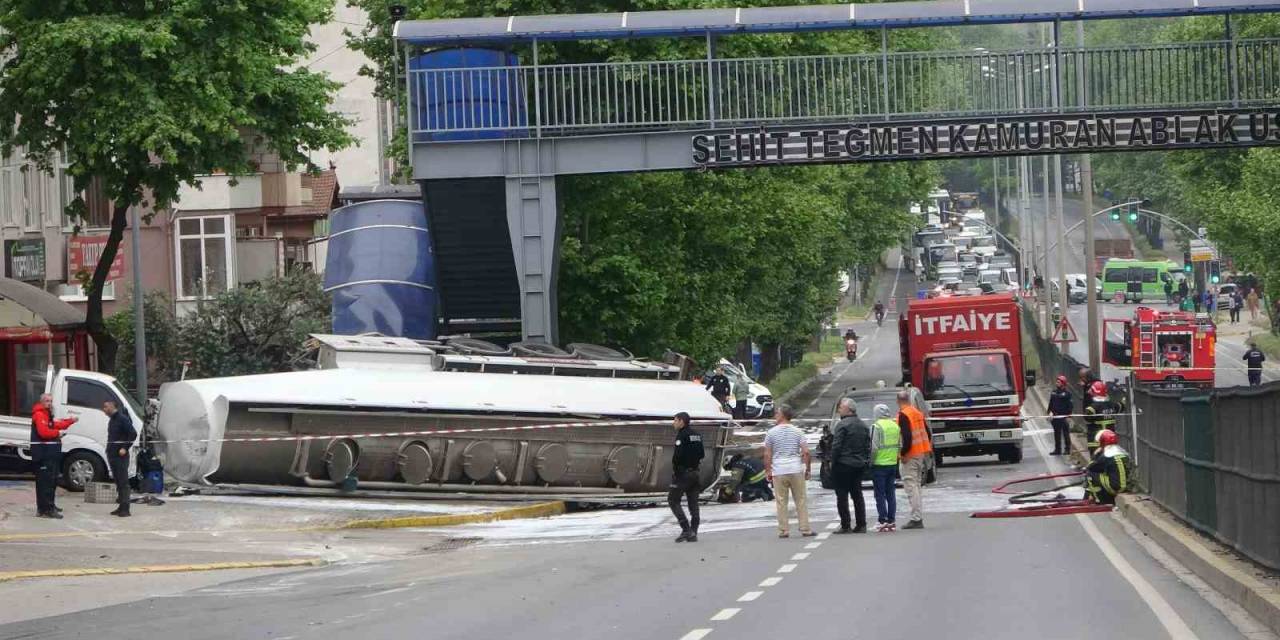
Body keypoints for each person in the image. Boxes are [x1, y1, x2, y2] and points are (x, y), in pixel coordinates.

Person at [764, 404, 815, 538]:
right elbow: (806, 452)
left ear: (782, 415)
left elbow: (768, 455)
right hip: (795, 469)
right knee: (801, 500)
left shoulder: (771, 433)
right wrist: (808, 469)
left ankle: (783, 530)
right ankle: (805, 528)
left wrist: (768, 470)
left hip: (779, 470)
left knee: (781, 501)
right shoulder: (798, 432)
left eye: (777, 413)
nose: (775, 415)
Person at [31, 393, 77, 518]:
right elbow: (44, 432)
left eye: (50, 401)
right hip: (44, 455)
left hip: (49, 454)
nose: (49, 403)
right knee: (46, 482)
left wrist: (70, 421)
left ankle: (47, 507)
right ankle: (47, 509)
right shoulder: (39, 414)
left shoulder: (46, 415)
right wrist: (58, 434)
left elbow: (55, 424)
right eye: (47, 401)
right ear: (41, 402)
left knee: (50, 481)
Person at [829, 398, 870, 534]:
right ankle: (861, 524)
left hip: (843, 464)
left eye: (840, 407)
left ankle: (845, 525)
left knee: (842, 495)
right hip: (858, 465)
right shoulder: (863, 425)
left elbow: (836, 446)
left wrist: (832, 462)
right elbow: (867, 446)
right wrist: (864, 461)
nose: (839, 409)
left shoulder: (842, 425)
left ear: (848, 409)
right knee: (857, 494)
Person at [896, 391, 932, 530]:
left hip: (910, 455)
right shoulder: (917, 412)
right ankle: (917, 516)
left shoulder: (904, 414)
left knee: (911, 487)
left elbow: (907, 437)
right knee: (916, 485)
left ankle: (916, 518)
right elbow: (927, 433)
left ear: (898, 401)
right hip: (920, 453)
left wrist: (903, 454)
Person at [668, 412, 704, 542]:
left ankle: (686, 529)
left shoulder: (682, 435)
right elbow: (702, 454)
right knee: (693, 502)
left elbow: (677, 457)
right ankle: (694, 531)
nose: (674, 423)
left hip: (683, 474)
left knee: (673, 500)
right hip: (695, 473)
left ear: (681, 421)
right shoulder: (697, 435)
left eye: (675, 420)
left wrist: (677, 470)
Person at [102, 400, 137, 517]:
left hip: (120, 455)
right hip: (112, 454)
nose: (104, 409)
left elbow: (133, 433)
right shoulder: (112, 420)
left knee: (123, 482)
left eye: (106, 407)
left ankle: (125, 508)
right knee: (117, 481)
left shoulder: (122, 419)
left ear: (112, 406)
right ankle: (121, 506)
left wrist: (125, 447)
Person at [869, 404, 901, 532]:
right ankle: (891, 520)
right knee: (890, 493)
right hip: (892, 463)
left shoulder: (876, 426)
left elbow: (874, 447)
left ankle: (882, 520)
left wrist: (871, 462)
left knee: (879, 494)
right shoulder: (895, 426)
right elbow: (900, 444)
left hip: (879, 464)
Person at [1084, 429, 1133, 505]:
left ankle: (1099, 499)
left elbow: (1091, 467)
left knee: (1090, 474)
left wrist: (1096, 454)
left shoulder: (1106, 455)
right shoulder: (1123, 452)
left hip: (1116, 487)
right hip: (1127, 486)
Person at [1083, 381, 1119, 455]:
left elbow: (1087, 417)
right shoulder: (1111, 405)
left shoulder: (1093, 407)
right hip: (1110, 439)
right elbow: (1120, 406)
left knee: (1096, 461)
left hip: (1096, 440)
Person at [1048, 375, 1074, 456]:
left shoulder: (1067, 394)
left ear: (1063, 383)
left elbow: (1070, 406)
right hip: (1055, 416)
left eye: (1058, 382)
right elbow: (1051, 403)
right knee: (1057, 433)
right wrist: (1049, 412)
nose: (1057, 383)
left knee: (1066, 433)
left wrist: (1069, 416)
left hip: (1063, 416)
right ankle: (1057, 449)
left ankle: (1067, 449)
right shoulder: (1054, 392)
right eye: (1057, 382)